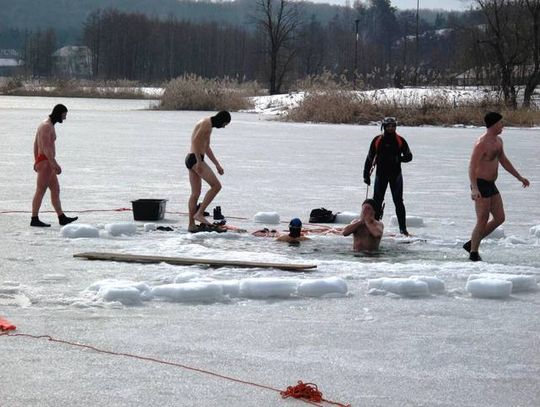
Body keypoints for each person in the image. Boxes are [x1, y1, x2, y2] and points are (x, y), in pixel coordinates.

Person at [463, 112, 530, 261]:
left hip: (491, 184)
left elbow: (504, 161)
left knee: (500, 217)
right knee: (482, 218)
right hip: (480, 184)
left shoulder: (498, 141)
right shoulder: (481, 143)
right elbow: (471, 167)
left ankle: (471, 243)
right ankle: (473, 252)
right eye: (501, 123)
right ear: (493, 124)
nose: (503, 126)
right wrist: (474, 188)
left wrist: (519, 177)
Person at [363, 117, 412, 236]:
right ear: (384, 127)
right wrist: (366, 174)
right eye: (388, 126)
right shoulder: (377, 140)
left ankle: (403, 229)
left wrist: (398, 158)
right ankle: (375, 225)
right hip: (381, 175)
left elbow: (409, 156)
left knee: (398, 202)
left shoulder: (400, 140)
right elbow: (369, 158)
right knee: (377, 202)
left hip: (395, 176)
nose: (391, 128)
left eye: (393, 126)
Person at [31, 104, 78, 227]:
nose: (65, 118)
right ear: (59, 113)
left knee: (55, 189)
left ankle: (61, 217)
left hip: (45, 161)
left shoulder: (46, 124)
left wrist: (36, 160)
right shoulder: (46, 126)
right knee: (40, 190)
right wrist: (54, 164)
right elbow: (45, 147)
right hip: (46, 162)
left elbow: (36, 144)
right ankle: (34, 218)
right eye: (64, 115)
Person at [186, 111, 230, 233]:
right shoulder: (206, 124)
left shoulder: (207, 124)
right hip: (195, 159)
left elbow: (206, 147)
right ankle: (199, 214)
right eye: (225, 124)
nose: (224, 127)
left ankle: (191, 225)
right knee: (216, 186)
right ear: (221, 120)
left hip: (192, 158)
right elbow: (195, 141)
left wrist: (217, 164)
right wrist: (199, 162)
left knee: (195, 194)